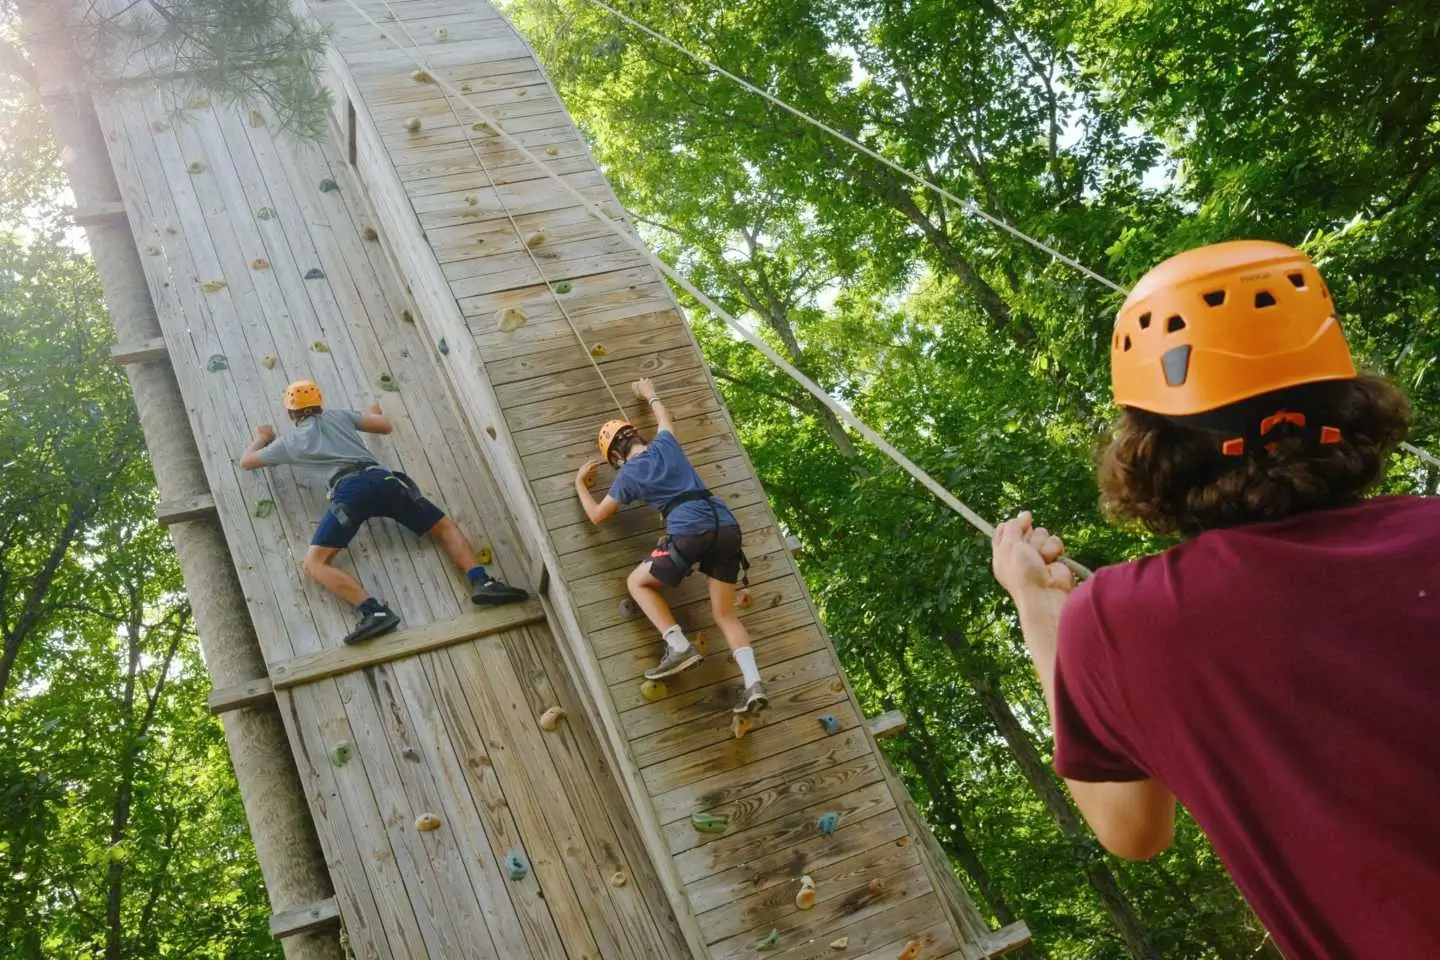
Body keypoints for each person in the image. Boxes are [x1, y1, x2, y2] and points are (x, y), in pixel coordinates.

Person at [990, 240, 1440, 958]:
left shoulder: (1121, 619)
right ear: (1348, 400)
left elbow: (1132, 829)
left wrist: (1040, 611)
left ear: (1148, 445)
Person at [240, 380, 527, 645]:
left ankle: (374, 612)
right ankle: (482, 581)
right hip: (385, 481)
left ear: (292, 415)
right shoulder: (340, 416)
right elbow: (385, 426)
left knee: (314, 564)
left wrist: (263, 437)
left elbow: (247, 462)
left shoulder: (290, 443)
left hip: (349, 493)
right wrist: (372, 411)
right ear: (320, 404)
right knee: (443, 526)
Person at [574, 378, 768, 714]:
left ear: (616, 458)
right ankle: (753, 683)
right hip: (725, 525)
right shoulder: (666, 444)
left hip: (690, 529)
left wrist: (579, 484)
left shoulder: (627, 476)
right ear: (637, 437)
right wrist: (649, 394)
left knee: (637, 582)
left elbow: (597, 516)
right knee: (724, 613)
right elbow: (665, 417)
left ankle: (678, 645)